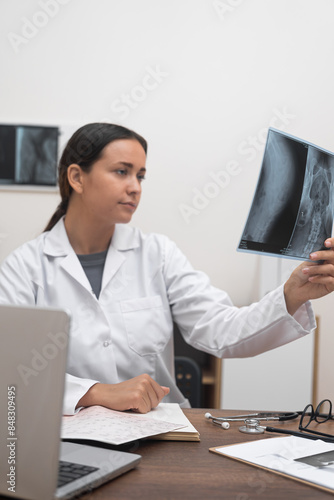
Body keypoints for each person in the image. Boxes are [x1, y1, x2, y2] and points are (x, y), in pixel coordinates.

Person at [0, 123, 333, 415]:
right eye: (122, 171)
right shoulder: (24, 267)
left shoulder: (157, 254)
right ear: (77, 177)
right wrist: (94, 393)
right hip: (65, 435)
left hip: (156, 433)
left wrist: (290, 295)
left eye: (140, 176)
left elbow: (221, 330)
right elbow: (10, 370)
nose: (135, 187)